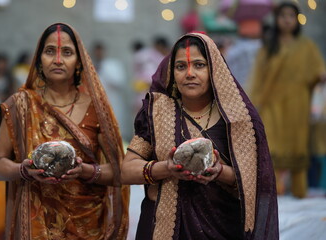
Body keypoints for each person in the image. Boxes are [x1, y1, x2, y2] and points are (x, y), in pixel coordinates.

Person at [121, 33, 278, 239]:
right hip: (162, 227)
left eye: (199, 65)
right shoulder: (157, 113)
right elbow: (126, 170)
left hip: (223, 226)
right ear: (172, 72)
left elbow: (256, 182)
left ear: (214, 70)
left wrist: (219, 171)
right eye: (180, 66)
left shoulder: (238, 120)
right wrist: (165, 168)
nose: (189, 73)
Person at [0, 23, 129, 239]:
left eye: (67, 52)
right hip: (37, 227)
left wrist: (86, 172)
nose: (57, 60)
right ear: (39, 61)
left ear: (79, 62)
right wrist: (23, 171)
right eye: (49, 51)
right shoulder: (21, 106)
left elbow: (120, 173)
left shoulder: (96, 109)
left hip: (88, 225)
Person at [248, 2, 326, 198]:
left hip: (297, 105)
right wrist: (252, 103)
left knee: (298, 147)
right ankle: (273, 197)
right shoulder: (268, 47)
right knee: (271, 148)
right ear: (277, 20)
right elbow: (258, 77)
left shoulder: (307, 46)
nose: (287, 19)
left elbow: (318, 70)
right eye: (283, 16)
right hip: (272, 105)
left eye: (291, 16)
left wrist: (320, 75)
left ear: (297, 20)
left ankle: (300, 194)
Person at [92, 41, 128, 140]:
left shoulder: (112, 65)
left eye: (100, 51)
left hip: (113, 100)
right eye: (96, 51)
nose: (98, 53)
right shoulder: (90, 65)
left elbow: (119, 82)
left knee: (115, 127)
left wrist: (104, 69)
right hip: (97, 102)